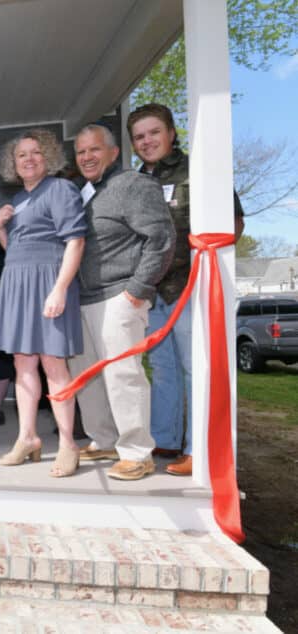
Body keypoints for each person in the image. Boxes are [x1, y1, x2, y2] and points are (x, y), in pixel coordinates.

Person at [128, 103, 246, 477]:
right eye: (139, 136)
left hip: (189, 286)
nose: (147, 141)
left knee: (195, 368)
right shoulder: (133, 182)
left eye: (153, 132)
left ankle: (200, 450)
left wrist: (206, 263)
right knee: (161, 369)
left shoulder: (198, 170)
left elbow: (234, 222)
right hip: (151, 291)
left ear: (171, 133)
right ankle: (166, 440)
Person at [69, 124, 175, 481]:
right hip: (82, 298)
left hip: (118, 295)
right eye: (81, 151)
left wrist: (137, 290)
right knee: (88, 377)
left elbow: (160, 238)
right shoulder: (85, 192)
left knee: (123, 375)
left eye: (94, 150)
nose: (86, 157)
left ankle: (137, 453)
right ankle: (106, 440)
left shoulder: (133, 185)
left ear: (114, 152)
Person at [0, 129, 86, 477]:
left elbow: (75, 242)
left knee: (54, 366)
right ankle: (27, 437)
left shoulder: (60, 189)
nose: (28, 159)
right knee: (22, 364)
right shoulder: (18, 199)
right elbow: (16, 251)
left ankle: (67, 444)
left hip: (48, 283)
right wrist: (1, 228)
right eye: (21, 155)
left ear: (47, 157)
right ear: (12, 164)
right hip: (16, 285)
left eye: (35, 152)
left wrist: (60, 289)